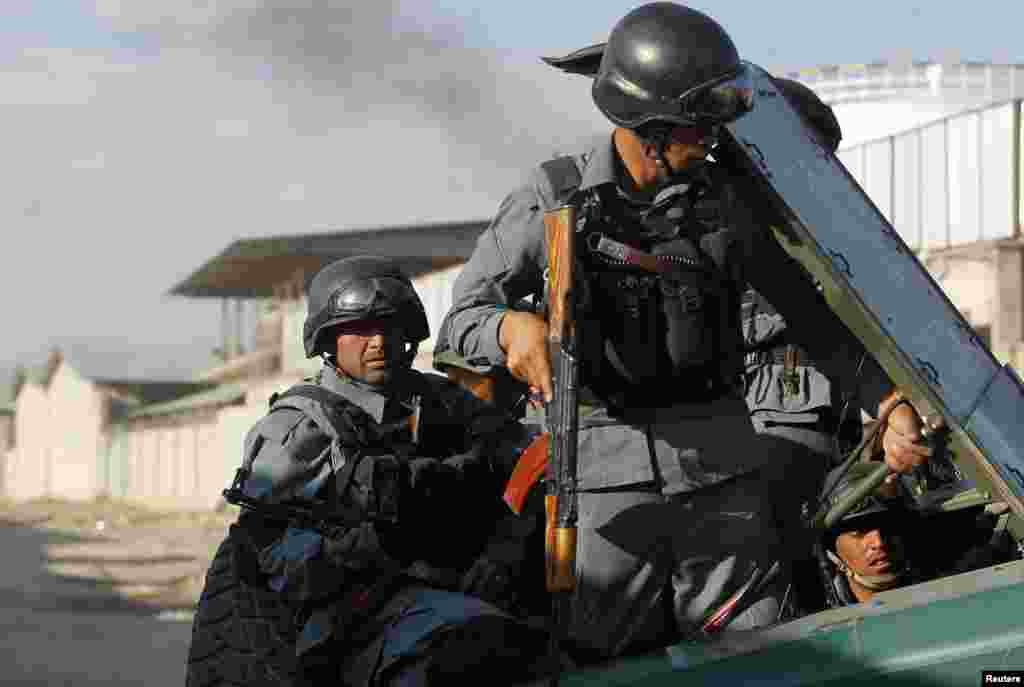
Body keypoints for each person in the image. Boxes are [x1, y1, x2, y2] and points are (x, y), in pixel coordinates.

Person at [440, 1, 931, 660]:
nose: (710, 143)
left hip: (723, 477)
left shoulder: (726, 202)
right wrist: (510, 329)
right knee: (608, 668)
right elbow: (460, 320)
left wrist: (886, 399)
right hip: (606, 493)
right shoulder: (554, 198)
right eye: (696, 129)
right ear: (650, 127)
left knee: (767, 660)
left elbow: (813, 318)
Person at [186, 256, 545, 687]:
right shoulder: (300, 427)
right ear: (328, 339)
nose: (377, 341)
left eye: (389, 326)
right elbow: (276, 558)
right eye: (359, 329)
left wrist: (500, 549)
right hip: (340, 626)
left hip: (453, 593)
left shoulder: (440, 403)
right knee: (462, 645)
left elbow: (519, 467)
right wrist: (386, 548)